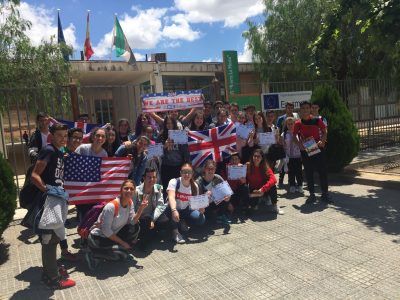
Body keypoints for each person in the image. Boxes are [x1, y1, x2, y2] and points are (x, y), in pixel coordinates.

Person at [30, 123, 76, 289]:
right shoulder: (48, 150)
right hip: (50, 199)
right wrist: (47, 190)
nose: (63, 138)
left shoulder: (59, 150)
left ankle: (50, 269)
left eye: (65, 135)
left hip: (58, 199)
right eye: (59, 135)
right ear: (51, 136)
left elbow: (65, 156)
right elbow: (34, 175)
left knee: (54, 236)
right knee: (49, 239)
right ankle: (52, 279)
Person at [85, 180, 147, 269]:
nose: (129, 191)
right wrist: (123, 243)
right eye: (126, 188)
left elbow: (132, 222)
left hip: (112, 235)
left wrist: (141, 208)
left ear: (134, 192)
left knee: (135, 227)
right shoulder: (111, 206)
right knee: (120, 255)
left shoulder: (130, 202)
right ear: (121, 190)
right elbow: (106, 231)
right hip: (99, 237)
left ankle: (116, 249)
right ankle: (93, 254)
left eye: (131, 189)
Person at [293, 101, 332, 204]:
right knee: (308, 173)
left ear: (310, 109)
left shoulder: (317, 120)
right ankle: (312, 195)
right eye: (303, 108)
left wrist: (322, 141)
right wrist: (299, 144)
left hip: (318, 148)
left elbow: (325, 131)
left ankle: (325, 194)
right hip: (307, 149)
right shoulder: (298, 123)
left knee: (322, 172)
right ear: (300, 110)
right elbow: (294, 136)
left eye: (307, 108)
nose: (305, 110)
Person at [75, 127, 108, 220]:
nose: (100, 138)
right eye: (98, 135)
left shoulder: (104, 153)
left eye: (103, 136)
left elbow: (103, 172)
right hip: (81, 188)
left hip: (94, 190)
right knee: (83, 214)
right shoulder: (82, 148)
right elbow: (73, 165)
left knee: (92, 214)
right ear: (93, 137)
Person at [166, 163, 205, 244]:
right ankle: (175, 232)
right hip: (172, 208)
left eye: (189, 172)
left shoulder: (195, 186)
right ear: (180, 173)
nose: (187, 174)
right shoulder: (174, 181)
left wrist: (200, 210)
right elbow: (171, 197)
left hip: (186, 209)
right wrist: (174, 210)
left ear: (192, 173)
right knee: (173, 209)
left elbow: (195, 204)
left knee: (201, 219)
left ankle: (183, 222)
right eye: (184, 172)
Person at [135, 168, 168, 251]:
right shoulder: (136, 190)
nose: (152, 179)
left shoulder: (158, 188)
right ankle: (145, 241)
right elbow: (132, 207)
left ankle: (150, 233)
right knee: (146, 228)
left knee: (164, 220)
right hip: (141, 217)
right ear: (144, 178)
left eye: (154, 177)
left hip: (152, 216)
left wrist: (152, 220)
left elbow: (160, 205)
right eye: (149, 177)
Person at [157, 116, 190, 194]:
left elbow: (185, 151)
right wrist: (164, 146)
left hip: (178, 166)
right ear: (165, 124)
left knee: (178, 189)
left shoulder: (180, 134)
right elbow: (156, 153)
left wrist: (187, 163)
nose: (169, 125)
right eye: (167, 123)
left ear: (174, 124)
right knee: (167, 189)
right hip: (166, 166)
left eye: (171, 123)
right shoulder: (161, 136)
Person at [246, 149, 283, 215]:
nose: (256, 158)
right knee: (254, 206)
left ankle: (274, 206)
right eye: (255, 156)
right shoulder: (248, 166)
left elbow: (274, 180)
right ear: (252, 157)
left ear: (262, 158)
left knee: (273, 186)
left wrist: (262, 190)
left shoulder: (265, 167)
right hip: (254, 190)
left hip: (263, 189)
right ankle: (260, 198)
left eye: (258, 156)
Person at [196, 160, 232, 225]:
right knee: (208, 221)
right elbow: (196, 200)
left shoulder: (218, 177)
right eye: (208, 169)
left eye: (212, 169)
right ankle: (214, 216)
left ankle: (221, 215)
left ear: (215, 169)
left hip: (216, 202)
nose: (210, 171)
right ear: (204, 169)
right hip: (204, 206)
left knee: (226, 199)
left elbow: (227, 192)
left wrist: (228, 198)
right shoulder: (199, 181)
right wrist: (205, 196)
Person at [281, 117, 303, 193]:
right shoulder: (283, 135)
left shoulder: (299, 133)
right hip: (289, 157)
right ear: (286, 125)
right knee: (291, 172)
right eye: (288, 124)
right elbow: (283, 146)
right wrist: (284, 156)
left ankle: (300, 186)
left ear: (295, 124)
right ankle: (292, 185)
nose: (290, 125)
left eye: (292, 124)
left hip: (298, 156)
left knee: (299, 172)